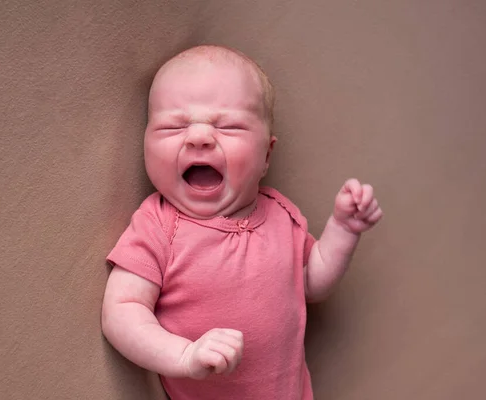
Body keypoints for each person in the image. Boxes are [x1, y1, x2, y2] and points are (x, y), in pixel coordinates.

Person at [101, 44, 383, 399]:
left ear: (266, 155)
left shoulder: (281, 213)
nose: (199, 137)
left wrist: (343, 230)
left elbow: (312, 283)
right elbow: (122, 311)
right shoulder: (158, 225)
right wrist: (184, 355)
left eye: (229, 126)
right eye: (173, 126)